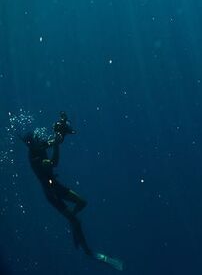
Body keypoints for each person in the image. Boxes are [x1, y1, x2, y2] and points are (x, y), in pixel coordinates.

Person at [20, 113, 124, 271]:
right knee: (77, 222)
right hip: (51, 193)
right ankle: (88, 252)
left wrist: (60, 132)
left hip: (56, 185)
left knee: (82, 202)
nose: (38, 139)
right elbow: (54, 163)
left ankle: (72, 221)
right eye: (35, 139)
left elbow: (55, 141)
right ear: (30, 144)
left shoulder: (38, 145)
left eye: (36, 138)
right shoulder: (35, 159)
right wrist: (56, 145)